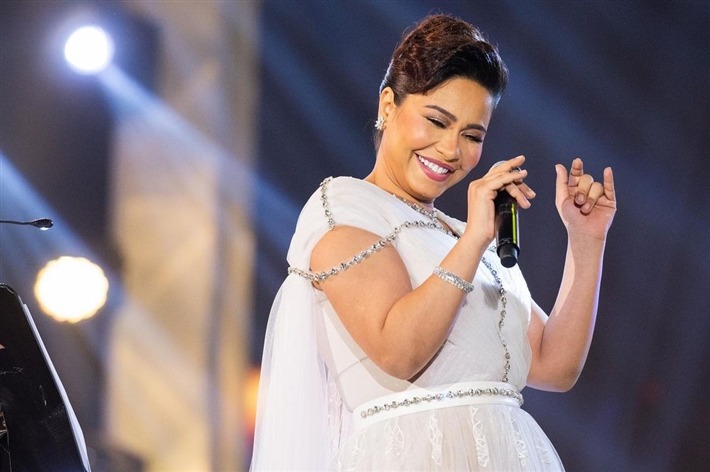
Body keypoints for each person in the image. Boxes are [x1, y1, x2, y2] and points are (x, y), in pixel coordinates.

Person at [251, 13, 616, 471]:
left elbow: (554, 365)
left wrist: (586, 240)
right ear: (388, 105)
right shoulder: (346, 209)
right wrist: (475, 241)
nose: (451, 150)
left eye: (472, 135)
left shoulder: (463, 235)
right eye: (437, 121)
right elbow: (398, 351)